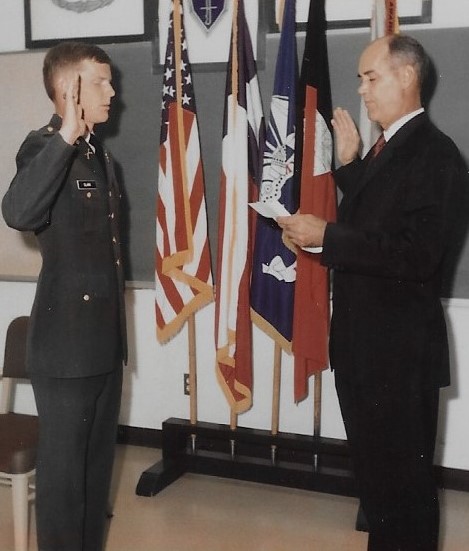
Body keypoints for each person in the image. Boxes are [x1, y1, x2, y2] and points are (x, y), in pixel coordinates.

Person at [277, 34, 468, 550]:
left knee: (403, 498)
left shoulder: (436, 154)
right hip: (367, 353)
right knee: (380, 494)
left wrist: (329, 235)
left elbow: (416, 255)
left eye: (371, 77)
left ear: (408, 76)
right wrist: (350, 166)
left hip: (399, 358)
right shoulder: (392, 149)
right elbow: (382, 215)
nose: (361, 89)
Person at [2, 42, 127, 551]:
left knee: (94, 480)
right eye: (100, 81)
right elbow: (19, 212)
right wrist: (67, 135)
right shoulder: (43, 147)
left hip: (103, 345)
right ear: (67, 88)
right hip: (66, 348)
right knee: (62, 487)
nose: (113, 91)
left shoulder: (101, 156)